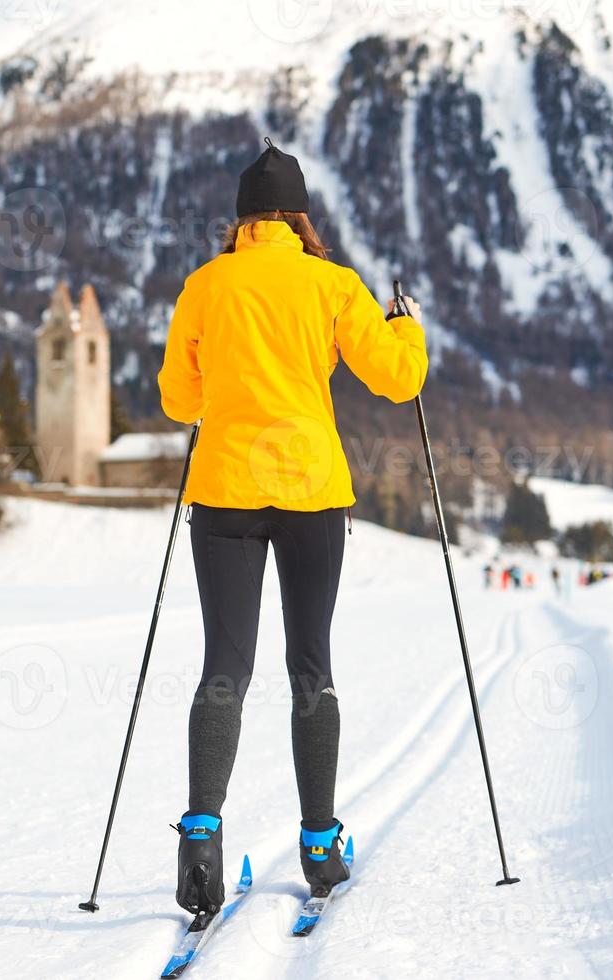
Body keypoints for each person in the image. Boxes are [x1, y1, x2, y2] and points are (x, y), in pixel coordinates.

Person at [157, 139, 428, 913]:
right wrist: (403, 326)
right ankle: (320, 846)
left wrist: (223, 379)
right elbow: (397, 377)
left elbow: (181, 401)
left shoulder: (205, 286)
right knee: (311, 663)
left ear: (241, 220)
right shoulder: (333, 285)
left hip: (225, 495)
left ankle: (200, 840)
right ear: (300, 217)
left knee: (225, 666)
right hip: (311, 494)